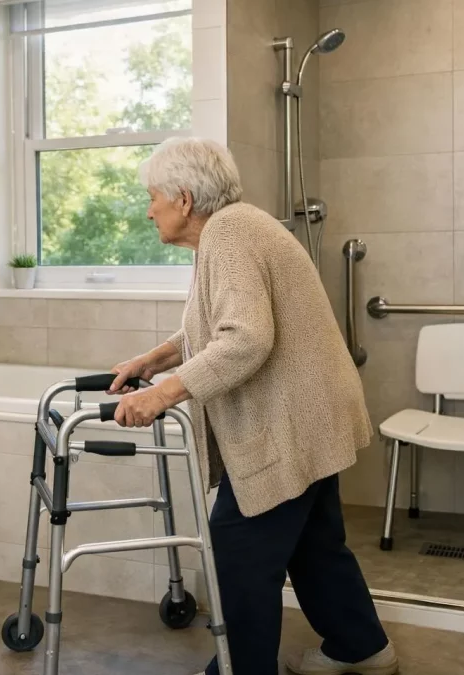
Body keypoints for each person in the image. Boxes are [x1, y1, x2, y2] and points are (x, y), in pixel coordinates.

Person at [108, 137, 397, 675]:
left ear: (184, 199)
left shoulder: (229, 233)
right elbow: (220, 323)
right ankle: (361, 646)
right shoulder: (235, 229)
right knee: (314, 545)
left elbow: (245, 339)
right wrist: (155, 359)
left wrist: (162, 393)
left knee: (237, 551)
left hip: (288, 424)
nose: (149, 210)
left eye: (153, 198)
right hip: (311, 415)